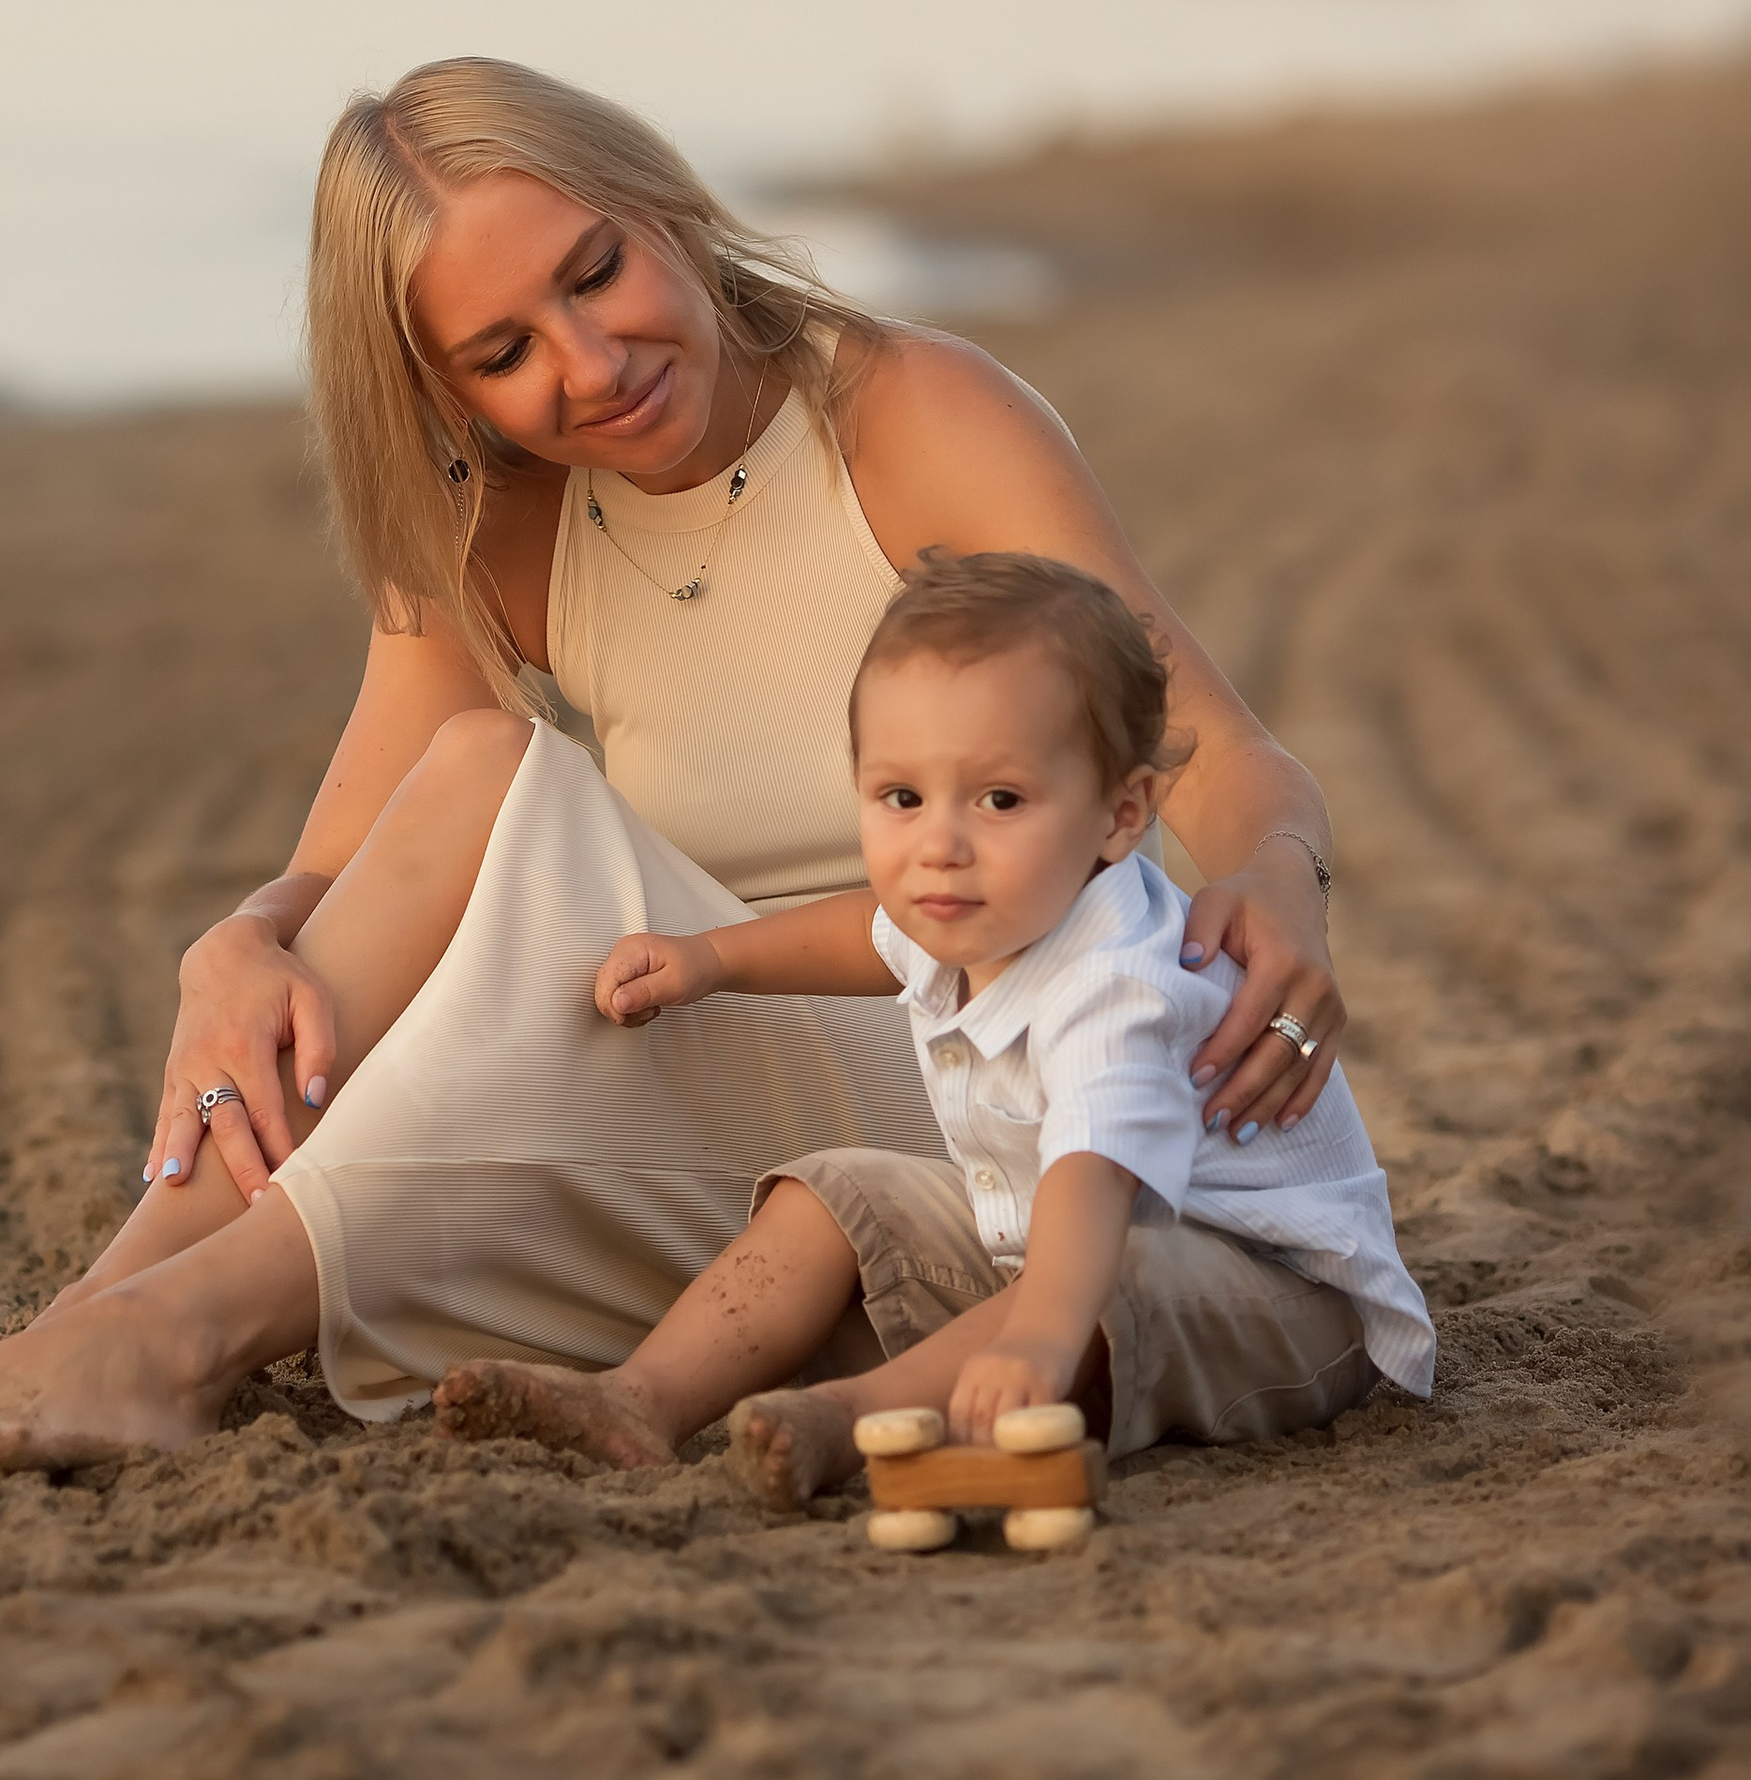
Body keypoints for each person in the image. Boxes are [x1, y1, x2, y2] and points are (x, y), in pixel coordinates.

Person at [0, 59, 1347, 1478]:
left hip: (975, 1085)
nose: (593, 362)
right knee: (476, 784)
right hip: (717, 1072)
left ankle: (165, 1333)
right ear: (445, 394)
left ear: (661, 206)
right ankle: (103, 1311)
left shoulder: (903, 413)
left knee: (502, 831)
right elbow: (360, 876)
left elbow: (1210, 755)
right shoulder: (502, 526)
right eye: (504, 352)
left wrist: (1280, 877)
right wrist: (241, 939)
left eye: (596, 273)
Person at [432, 550, 1432, 1500]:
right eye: (900, 797)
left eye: (1000, 798)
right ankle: (640, 1398)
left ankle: (849, 1416)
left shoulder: (1119, 982)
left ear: (1121, 815)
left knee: (1096, 1279)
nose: (938, 847)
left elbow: (1098, 1166)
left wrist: (1042, 1331)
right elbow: (871, 935)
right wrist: (713, 957)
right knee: (837, 1189)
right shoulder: (988, 903)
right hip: (1067, 1241)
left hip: (1282, 1292)